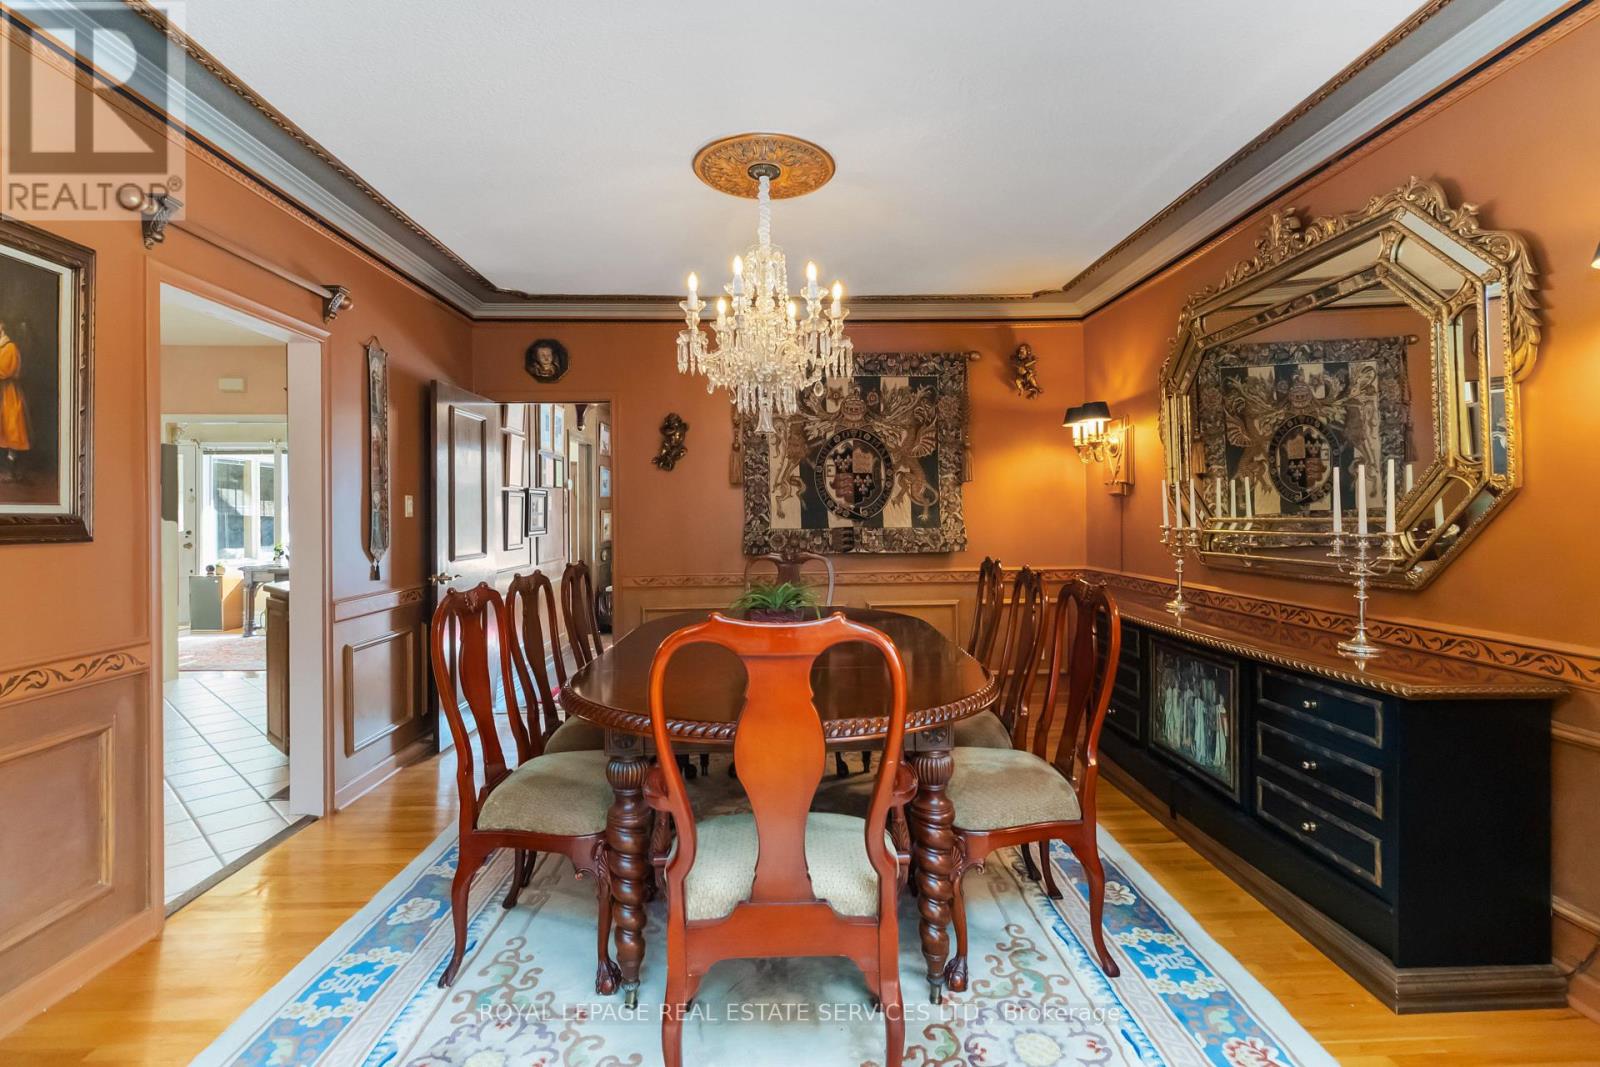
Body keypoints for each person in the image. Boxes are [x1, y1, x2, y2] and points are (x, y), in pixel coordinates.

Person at [0, 316, 30, 482]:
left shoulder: (10, 347)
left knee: (12, 430)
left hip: (8, 393)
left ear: (2, 327)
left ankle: (11, 471)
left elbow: (4, 371)